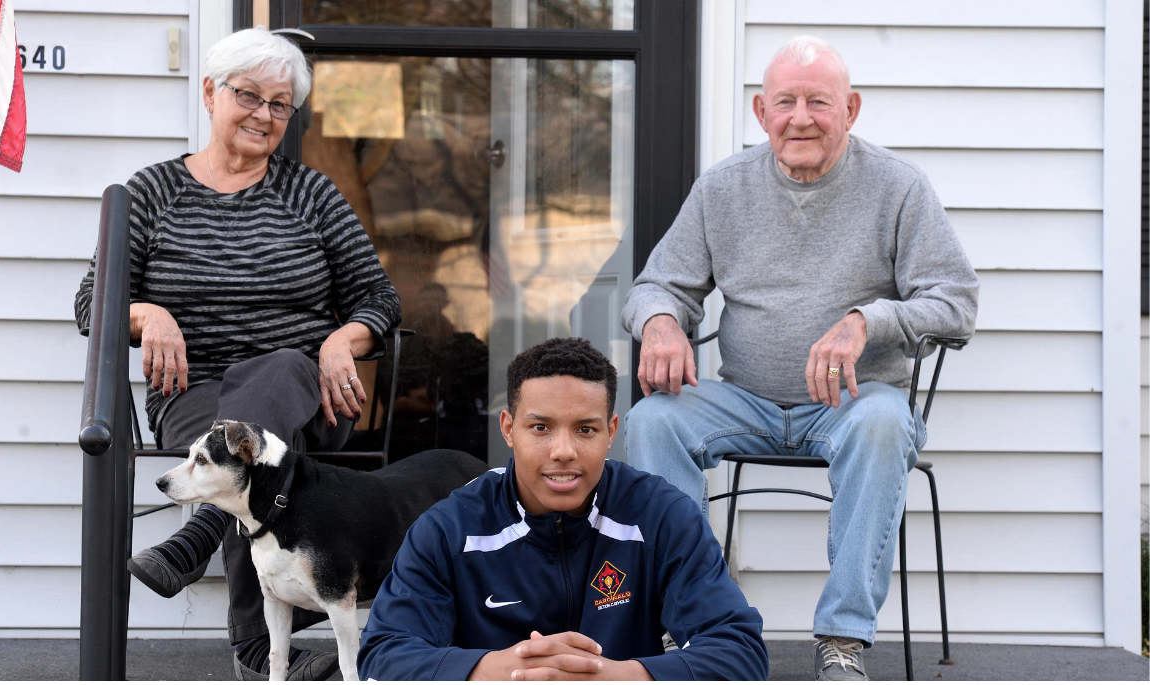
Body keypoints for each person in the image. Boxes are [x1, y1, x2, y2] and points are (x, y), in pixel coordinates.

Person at [620, 36, 978, 681]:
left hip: (852, 404)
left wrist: (871, 318)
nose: (802, 117)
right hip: (743, 400)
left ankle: (842, 641)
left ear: (852, 109)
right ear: (762, 112)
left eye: (819, 101)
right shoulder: (723, 188)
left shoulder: (898, 188)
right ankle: (693, 624)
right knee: (652, 420)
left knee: (884, 422)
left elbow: (955, 304)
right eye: (786, 101)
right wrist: (662, 322)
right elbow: (658, 285)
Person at [74, 28, 401, 680]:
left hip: (306, 397)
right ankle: (257, 649)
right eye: (249, 95)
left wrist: (342, 338)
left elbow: (379, 298)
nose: (264, 114)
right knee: (241, 441)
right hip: (195, 394)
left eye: (280, 105)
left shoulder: (310, 194)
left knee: (279, 364)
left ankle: (196, 541)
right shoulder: (154, 192)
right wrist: (146, 312)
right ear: (209, 93)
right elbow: (91, 304)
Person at [356, 337, 769, 681]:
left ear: (610, 433)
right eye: (540, 428)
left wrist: (616, 675)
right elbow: (384, 651)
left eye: (585, 429)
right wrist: (495, 669)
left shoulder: (661, 515)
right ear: (507, 429)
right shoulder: (451, 528)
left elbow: (740, 650)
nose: (564, 452)